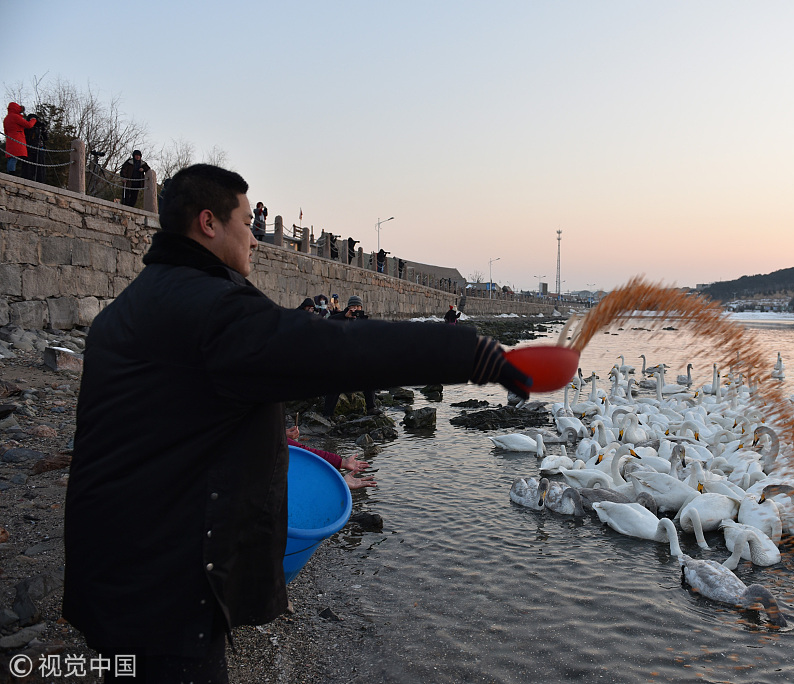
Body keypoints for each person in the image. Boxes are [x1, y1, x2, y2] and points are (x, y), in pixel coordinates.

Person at [63, 163, 531, 682]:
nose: (256, 238)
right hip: (166, 590)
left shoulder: (127, 311)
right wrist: (471, 354)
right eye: (247, 222)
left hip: (109, 569)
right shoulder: (213, 311)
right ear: (208, 223)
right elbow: (333, 348)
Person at [3, 102, 36, 175]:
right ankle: (11, 172)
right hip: (17, 138)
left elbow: (6, 131)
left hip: (10, 139)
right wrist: (33, 120)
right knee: (14, 157)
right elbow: (28, 125)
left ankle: (10, 171)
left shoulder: (6, 118)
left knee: (11, 157)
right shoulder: (15, 117)